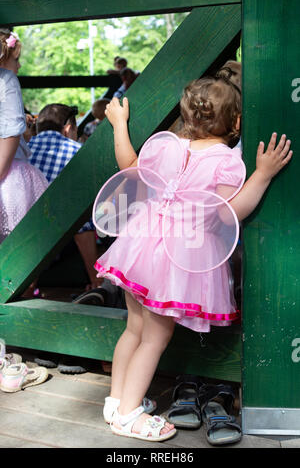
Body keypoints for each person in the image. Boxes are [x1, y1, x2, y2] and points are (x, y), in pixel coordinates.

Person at [92, 74, 292, 442]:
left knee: (133, 330)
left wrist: (119, 123)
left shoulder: (162, 146)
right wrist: (262, 175)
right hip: (177, 259)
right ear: (235, 122)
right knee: (154, 339)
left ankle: (116, 400)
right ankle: (129, 414)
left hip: (140, 246)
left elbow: (128, 165)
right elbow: (226, 213)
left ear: (186, 114)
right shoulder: (227, 161)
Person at [28, 103, 103, 290]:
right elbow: (84, 222)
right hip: (63, 240)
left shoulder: (23, 151)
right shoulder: (78, 153)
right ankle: (97, 283)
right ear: (69, 129)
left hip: (25, 247)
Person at [0, 29, 48, 245]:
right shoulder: (7, 80)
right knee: (20, 248)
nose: (19, 66)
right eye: (16, 59)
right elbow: (10, 134)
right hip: (8, 174)